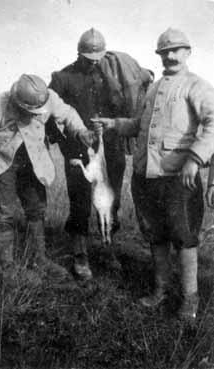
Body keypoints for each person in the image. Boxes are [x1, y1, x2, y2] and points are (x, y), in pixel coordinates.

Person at [92, 28, 214, 323]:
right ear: (159, 55)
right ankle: (160, 289)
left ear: (188, 53)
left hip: (178, 178)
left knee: (184, 237)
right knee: (155, 234)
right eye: (165, 51)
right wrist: (113, 123)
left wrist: (194, 160)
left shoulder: (197, 86)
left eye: (176, 50)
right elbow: (139, 125)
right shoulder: (153, 88)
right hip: (145, 176)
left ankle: (189, 299)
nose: (170, 56)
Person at [47, 28, 153, 280]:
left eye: (98, 57)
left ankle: (108, 248)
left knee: (111, 200)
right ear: (79, 53)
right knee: (80, 201)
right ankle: (80, 253)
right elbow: (51, 117)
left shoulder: (112, 75)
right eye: (88, 57)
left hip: (111, 149)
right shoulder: (62, 78)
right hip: (78, 152)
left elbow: (131, 97)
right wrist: (73, 138)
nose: (94, 61)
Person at [0, 74, 94, 280]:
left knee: (37, 209)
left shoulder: (49, 98)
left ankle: (39, 259)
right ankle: (7, 267)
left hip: (33, 161)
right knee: (4, 213)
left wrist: (81, 130)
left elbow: (68, 113)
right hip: (3, 162)